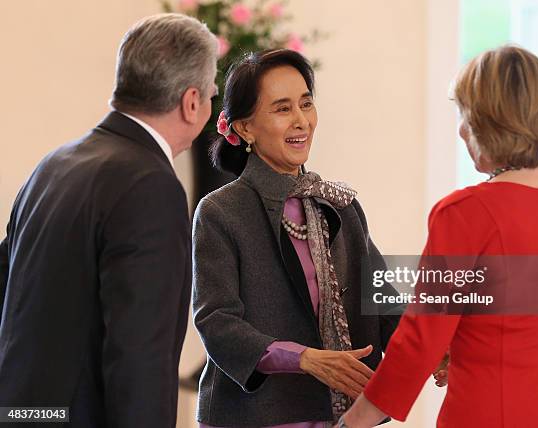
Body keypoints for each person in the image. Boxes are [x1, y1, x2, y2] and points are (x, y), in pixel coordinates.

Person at [337, 45, 538, 427]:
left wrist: (353, 421)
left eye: (465, 116)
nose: (461, 129)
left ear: (490, 122)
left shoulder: (464, 212)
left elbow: (420, 339)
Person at [0, 13, 218, 427]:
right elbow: (140, 355)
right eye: (211, 95)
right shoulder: (150, 185)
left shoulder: (54, 164)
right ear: (192, 102)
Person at [191, 49, 406, 427]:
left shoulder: (341, 205)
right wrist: (304, 358)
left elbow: (383, 300)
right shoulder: (219, 211)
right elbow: (217, 322)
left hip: (342, 416)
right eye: (282, 108)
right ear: (244, 128)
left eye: (306, 104)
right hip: (253, 417)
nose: (302, 121)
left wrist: (430, 351)